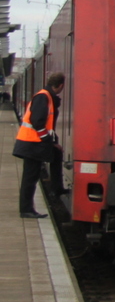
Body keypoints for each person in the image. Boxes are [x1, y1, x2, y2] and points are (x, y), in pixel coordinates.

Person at [12, 71, 65, 218]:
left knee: (56, 155)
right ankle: (26, 210)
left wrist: (53, 143)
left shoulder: (46, 96)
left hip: (34, 142)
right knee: (30, 178)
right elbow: (38, 122)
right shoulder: (43, 97)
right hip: (31, 144)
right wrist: (48, 141)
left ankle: (57, 188)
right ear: (60, 86)